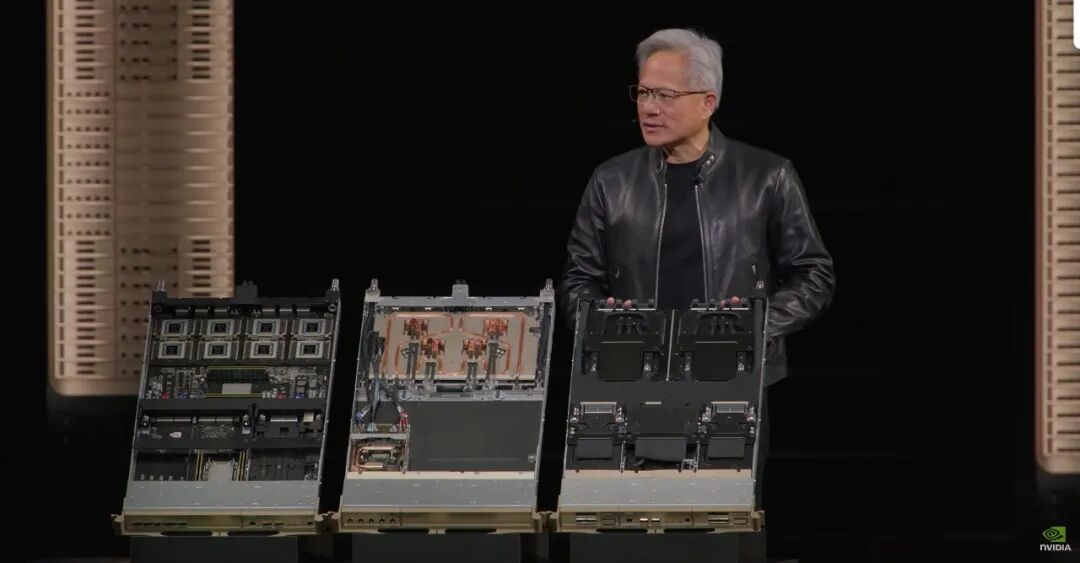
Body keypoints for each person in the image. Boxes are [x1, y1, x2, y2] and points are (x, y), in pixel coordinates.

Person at [557, 27, 836, 560]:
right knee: (626, 538)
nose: (649, 107)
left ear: (708, 102)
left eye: (665, 95)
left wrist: (752, 326)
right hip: (628, 382)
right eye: (643, 92)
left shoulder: (767, 176)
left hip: (731, 382)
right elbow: (577, 281)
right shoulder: (611, 181)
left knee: (720, 536)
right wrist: (602, 322)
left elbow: (814, 275)